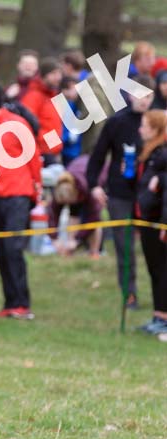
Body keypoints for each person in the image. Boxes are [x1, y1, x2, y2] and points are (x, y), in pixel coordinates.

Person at [87, 75, 155, 309]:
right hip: (120, 192)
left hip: (150, 193)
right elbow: (97, 156)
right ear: (128, 95)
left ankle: (159, 298)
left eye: (147, 96)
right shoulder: (117, 122)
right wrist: (94, 184)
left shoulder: (157, 121)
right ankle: (130, 294)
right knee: (123, 245)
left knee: (153, 244)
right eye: (138, 95)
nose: (143, 101)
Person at [0, 81, 40, 319]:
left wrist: (36, 187)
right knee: (1, 252)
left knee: (13, 250)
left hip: (17, 194)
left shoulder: (15, 124)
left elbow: (33, 156)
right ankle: (10, 303)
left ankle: (22, 304)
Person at [134, 109, 167, 334]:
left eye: (145, 125)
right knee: (154, 270)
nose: (140, 129)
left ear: (156, 129)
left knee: (163, 270)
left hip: (159, 222)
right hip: (147, 220)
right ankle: (158, 315)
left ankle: (163, 318)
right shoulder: (151, 153)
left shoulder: (162, 154)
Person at [21, 57, 63, 166]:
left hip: (52, 152)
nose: (58, 77)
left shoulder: (52, 96)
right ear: (44, 75)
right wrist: (46, 142)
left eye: (59, 74)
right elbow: (27, 125)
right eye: (54, 74)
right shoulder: (33, 97)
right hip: (41, 153)